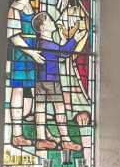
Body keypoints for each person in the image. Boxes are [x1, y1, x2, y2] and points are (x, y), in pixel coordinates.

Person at [31, 11, 89, 152]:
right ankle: (66, 140)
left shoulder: (40, 43)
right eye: (50, 21)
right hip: (51, 80)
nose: (53, 22)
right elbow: (63, 52)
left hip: (40, 81)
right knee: (59, 109)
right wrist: (75, 39)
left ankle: (41, 139)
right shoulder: (48, 44)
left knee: (40, 108)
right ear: (43, 28)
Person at [7, 0, 44, 147]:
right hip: (22, 54)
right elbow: (14, 36)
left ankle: (30, 118)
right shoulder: (15, 9)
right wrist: (31, 53)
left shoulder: (30, 7)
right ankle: (17, 134)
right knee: (18, 90)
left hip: (33, 52)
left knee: (30, 89)